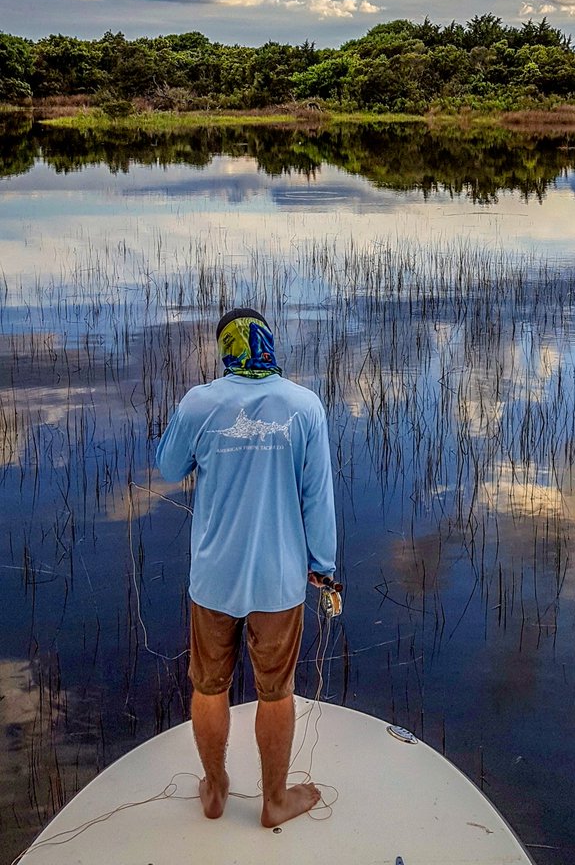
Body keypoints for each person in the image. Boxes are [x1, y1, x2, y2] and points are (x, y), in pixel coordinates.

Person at [157, 307, 337, 828]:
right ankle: (275, 801)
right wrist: (322, 567)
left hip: (213, 580)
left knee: (209, 686)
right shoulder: (304, 406)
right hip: (279, 584)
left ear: (225, 350)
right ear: (268, 342)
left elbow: (168, 466)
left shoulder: (201, 402)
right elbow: (317, 497)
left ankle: (214, 789)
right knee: (276, 692)